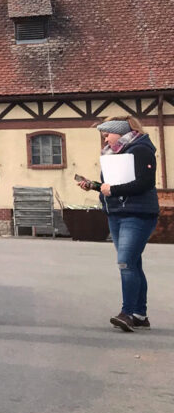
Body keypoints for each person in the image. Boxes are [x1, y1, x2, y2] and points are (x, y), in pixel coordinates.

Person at [77, 115, 160, 332]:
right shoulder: (114, 154)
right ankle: (140, 315)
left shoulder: (141, 149)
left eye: (107, 135)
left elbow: (145, 182)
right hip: (116, 213)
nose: (105, 141)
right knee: (133, 263)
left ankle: (127, 313)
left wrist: (112, 190)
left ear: (120, 132)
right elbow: (112, 185)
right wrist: (95, 186)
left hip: (138, 214)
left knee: (125, 263)